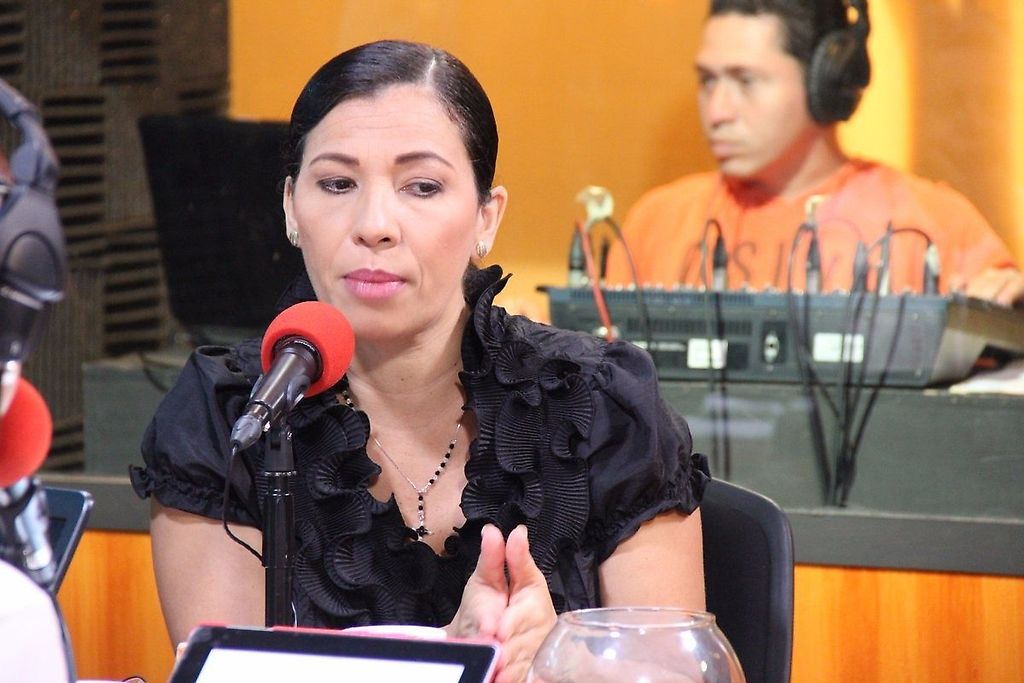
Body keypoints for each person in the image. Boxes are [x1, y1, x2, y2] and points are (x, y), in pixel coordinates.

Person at [130, 40, 709, 683]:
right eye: (337, 183)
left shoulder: (603, 406)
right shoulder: (232, 417)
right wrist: (448, 658)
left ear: (487, 217)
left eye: (422, 186)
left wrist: (561, 663)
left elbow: (685, 673)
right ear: (291, 208)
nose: (374, 224)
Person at [605, 0, 1024, 306]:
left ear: (825, 81)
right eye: (708, 81)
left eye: (746, 81)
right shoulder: (656, 223)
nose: (717, 112)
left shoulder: (936, 223)